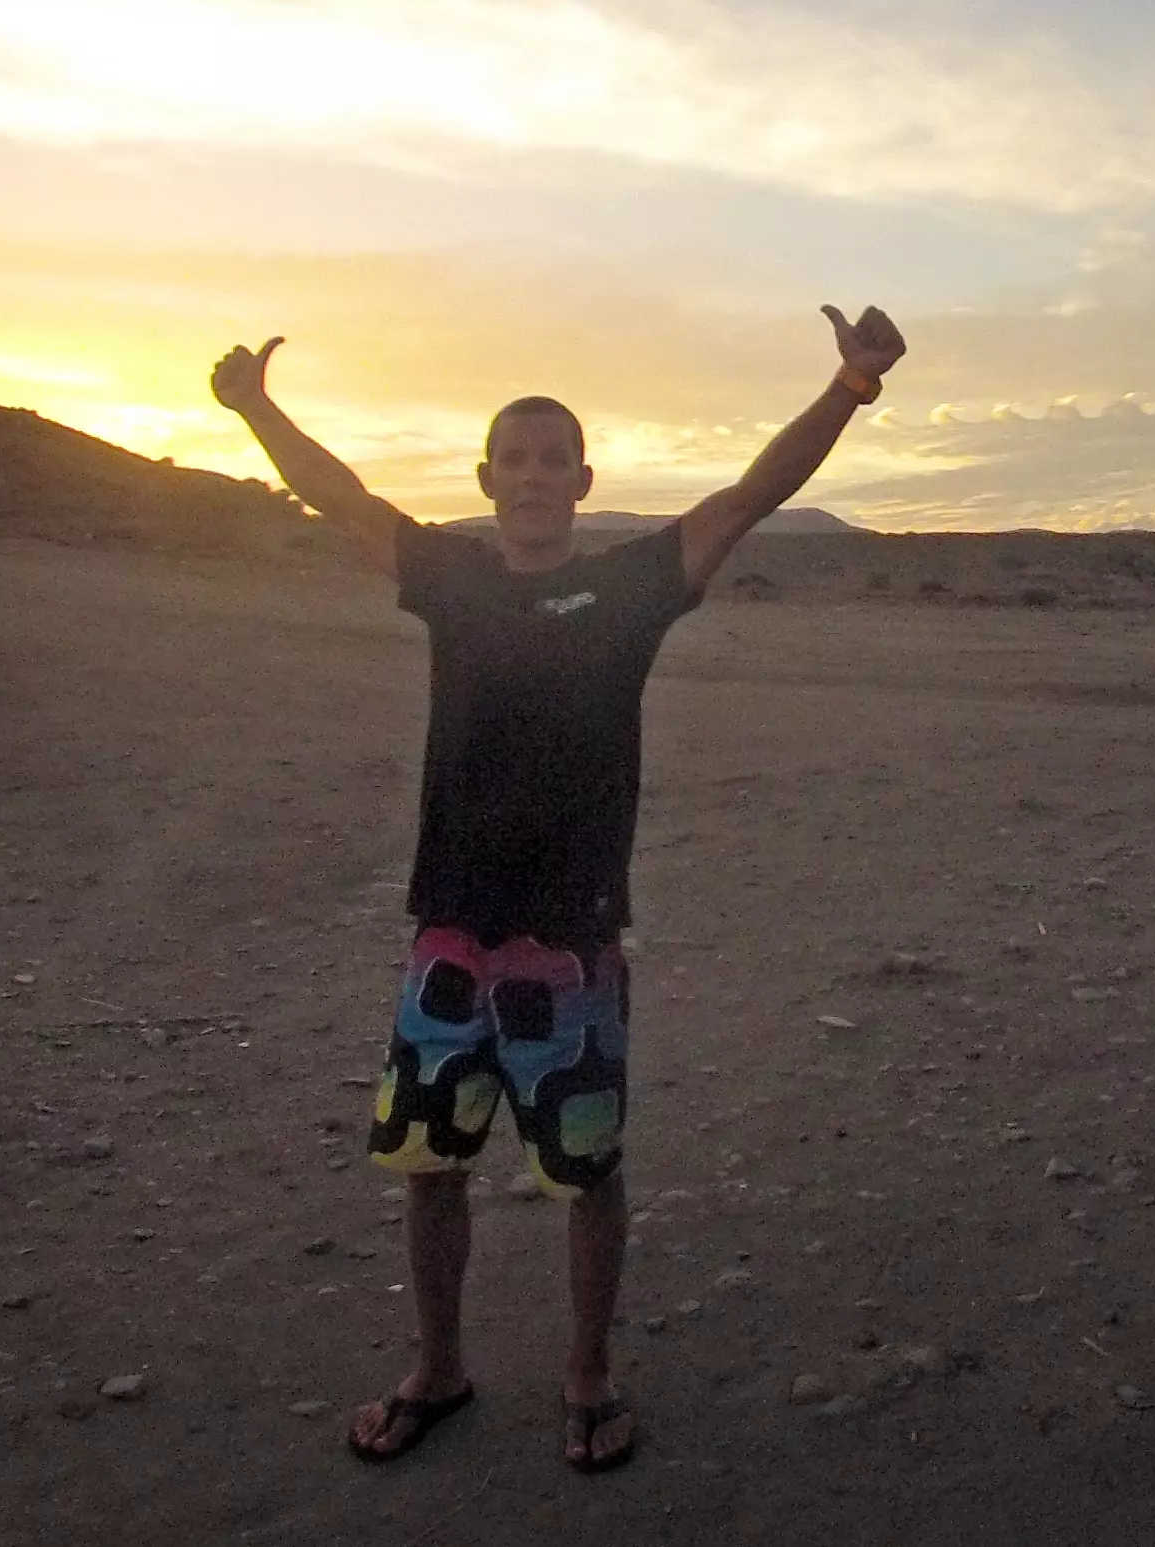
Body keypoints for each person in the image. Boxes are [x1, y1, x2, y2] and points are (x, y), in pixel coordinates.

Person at [209, 303, 906, 1473]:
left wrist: (848, 388)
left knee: (586, 1170)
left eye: (552, 459)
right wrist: (256, 410)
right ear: (484, 478)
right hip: (448, 933)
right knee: (430, 1164)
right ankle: (438, 1367)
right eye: (513, 458)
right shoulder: (448, 576)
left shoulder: (633, 585)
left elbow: (749, 496)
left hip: (572, 940)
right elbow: (340, 497)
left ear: (583, 480)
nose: (532, 476)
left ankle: (586, 1372)